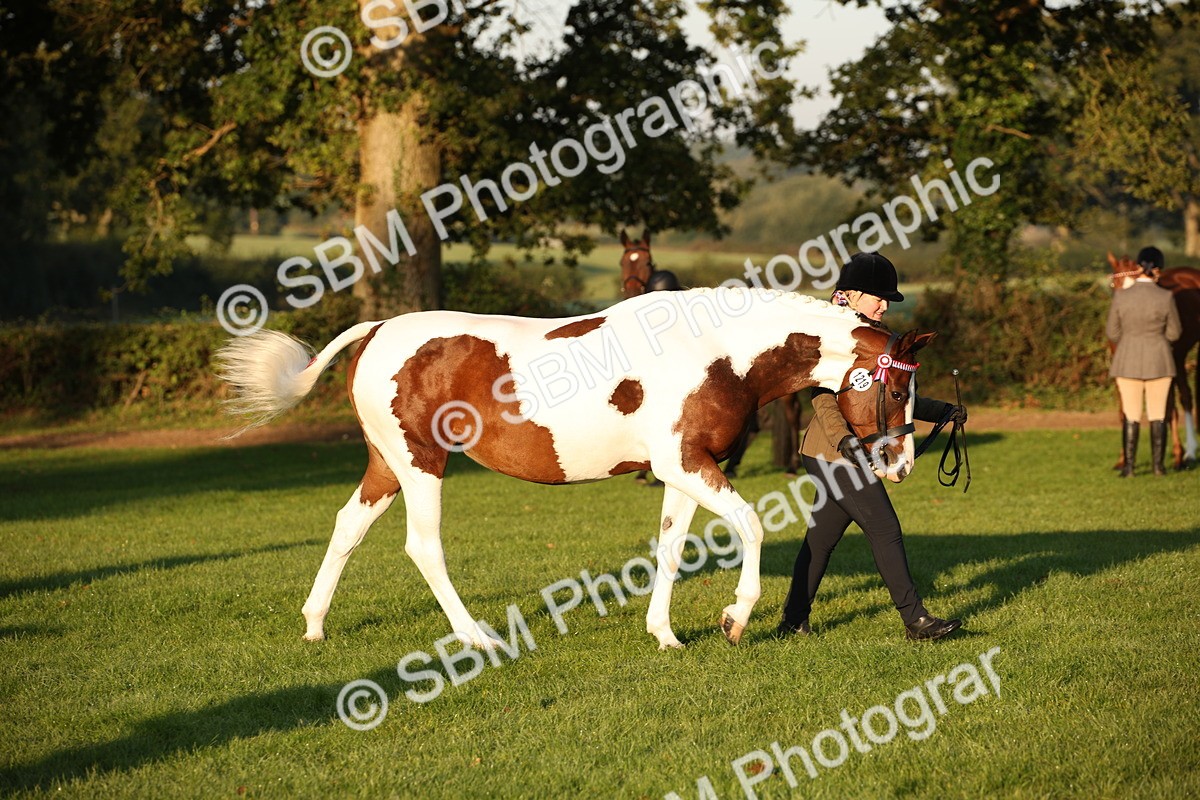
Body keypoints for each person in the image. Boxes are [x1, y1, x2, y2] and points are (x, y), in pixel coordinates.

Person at [778, 252, 966, 642]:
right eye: (878, 297)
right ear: (851, 295)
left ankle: (792, 621)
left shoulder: (874, 337)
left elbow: (892, 398)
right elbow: (821, 397)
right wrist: (843, 439)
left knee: (821, 539)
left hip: (838, 452)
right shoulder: (835, 333)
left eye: (887, 299)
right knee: (885, 528)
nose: (884, 305)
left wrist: (943, 411)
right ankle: (916, 621)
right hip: (834, 452)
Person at [1107, 246, 1182, 477]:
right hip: (1159, 360)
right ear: (1158, 270)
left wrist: (1130, 339)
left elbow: (1112, 332)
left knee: (1131, 415)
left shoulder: (1121, 296)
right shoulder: (1166, 296)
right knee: (1158, 414)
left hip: (1126, 361)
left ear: (1138, 267)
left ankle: (1129, 467)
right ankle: (1158, 467)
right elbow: (1175, 333)